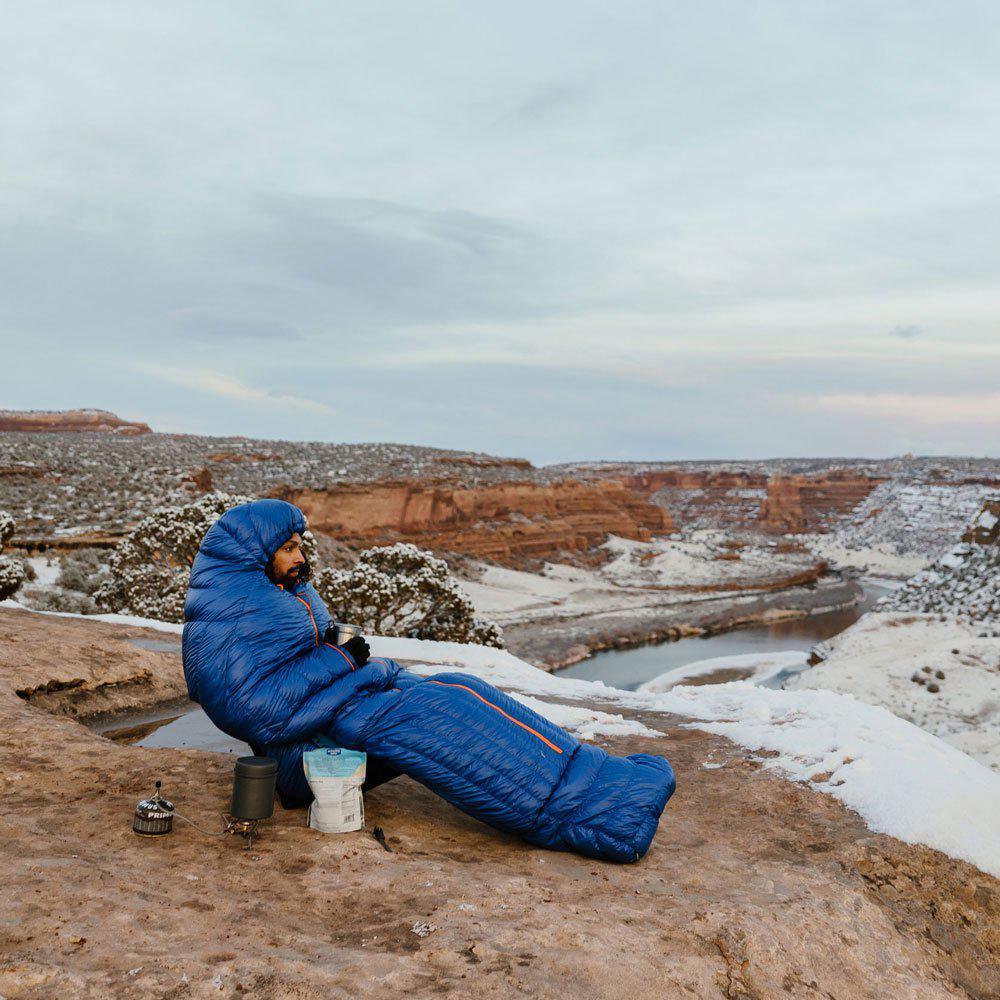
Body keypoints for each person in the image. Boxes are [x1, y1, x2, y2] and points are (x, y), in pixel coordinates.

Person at [183, 499, 675, 862]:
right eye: (287, 548)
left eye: (298, 546)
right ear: (256, 552)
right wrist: (340, 658)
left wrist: (340, 651)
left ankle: (599, 777)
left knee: (460, 689)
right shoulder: (228, 612)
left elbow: (305, 652)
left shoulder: (280, 588)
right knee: (439, 717)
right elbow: (248, 708)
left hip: (336, 708)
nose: (299, 557)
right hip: (300, 758)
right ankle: (593, 816)